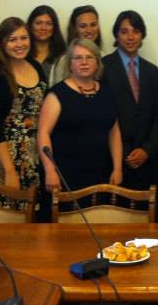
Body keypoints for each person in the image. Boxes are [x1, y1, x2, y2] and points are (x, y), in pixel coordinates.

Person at [0, 17, 49, 212]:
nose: (19, 44)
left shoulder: (36, 66)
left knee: (35, 214)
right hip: (8, 157)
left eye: (23, 38)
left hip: (36, 154)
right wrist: (10, 170)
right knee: (9, 215)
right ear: (3, 44)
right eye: (12, 40)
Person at [38, 39, 123, 192]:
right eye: (78, 58)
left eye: (89, 57)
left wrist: (117, 168)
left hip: (102, 173)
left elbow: (114, 132)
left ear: (97, 63)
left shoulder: (107, 92)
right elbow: (43, 133)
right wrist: (50, 171)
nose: (84, 62)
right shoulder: (57, 94)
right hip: (66, 175)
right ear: (69, 64)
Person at [100, 11, 158, 191]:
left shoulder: (153, 72)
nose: (130, 37)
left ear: (142, 35)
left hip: (147, 160)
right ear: (116, 35)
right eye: (124, 31)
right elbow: (100, 115)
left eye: (136, 31)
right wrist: (122, 152)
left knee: (147, 207)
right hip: (112, 160)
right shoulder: (102, 68)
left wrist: (147, 149)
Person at [52, 5, 102, 86]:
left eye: (93, 25)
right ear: (75, 29)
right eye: (83, 26)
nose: (89, 30)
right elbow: (59, 91)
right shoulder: (65, 61)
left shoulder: (104, 56)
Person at [26, 5, 65, 84]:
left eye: (49, 23)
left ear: (54, 27)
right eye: (38, 23)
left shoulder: (62, 57)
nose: (43, 28)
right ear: (30, 26)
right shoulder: (22, 55)